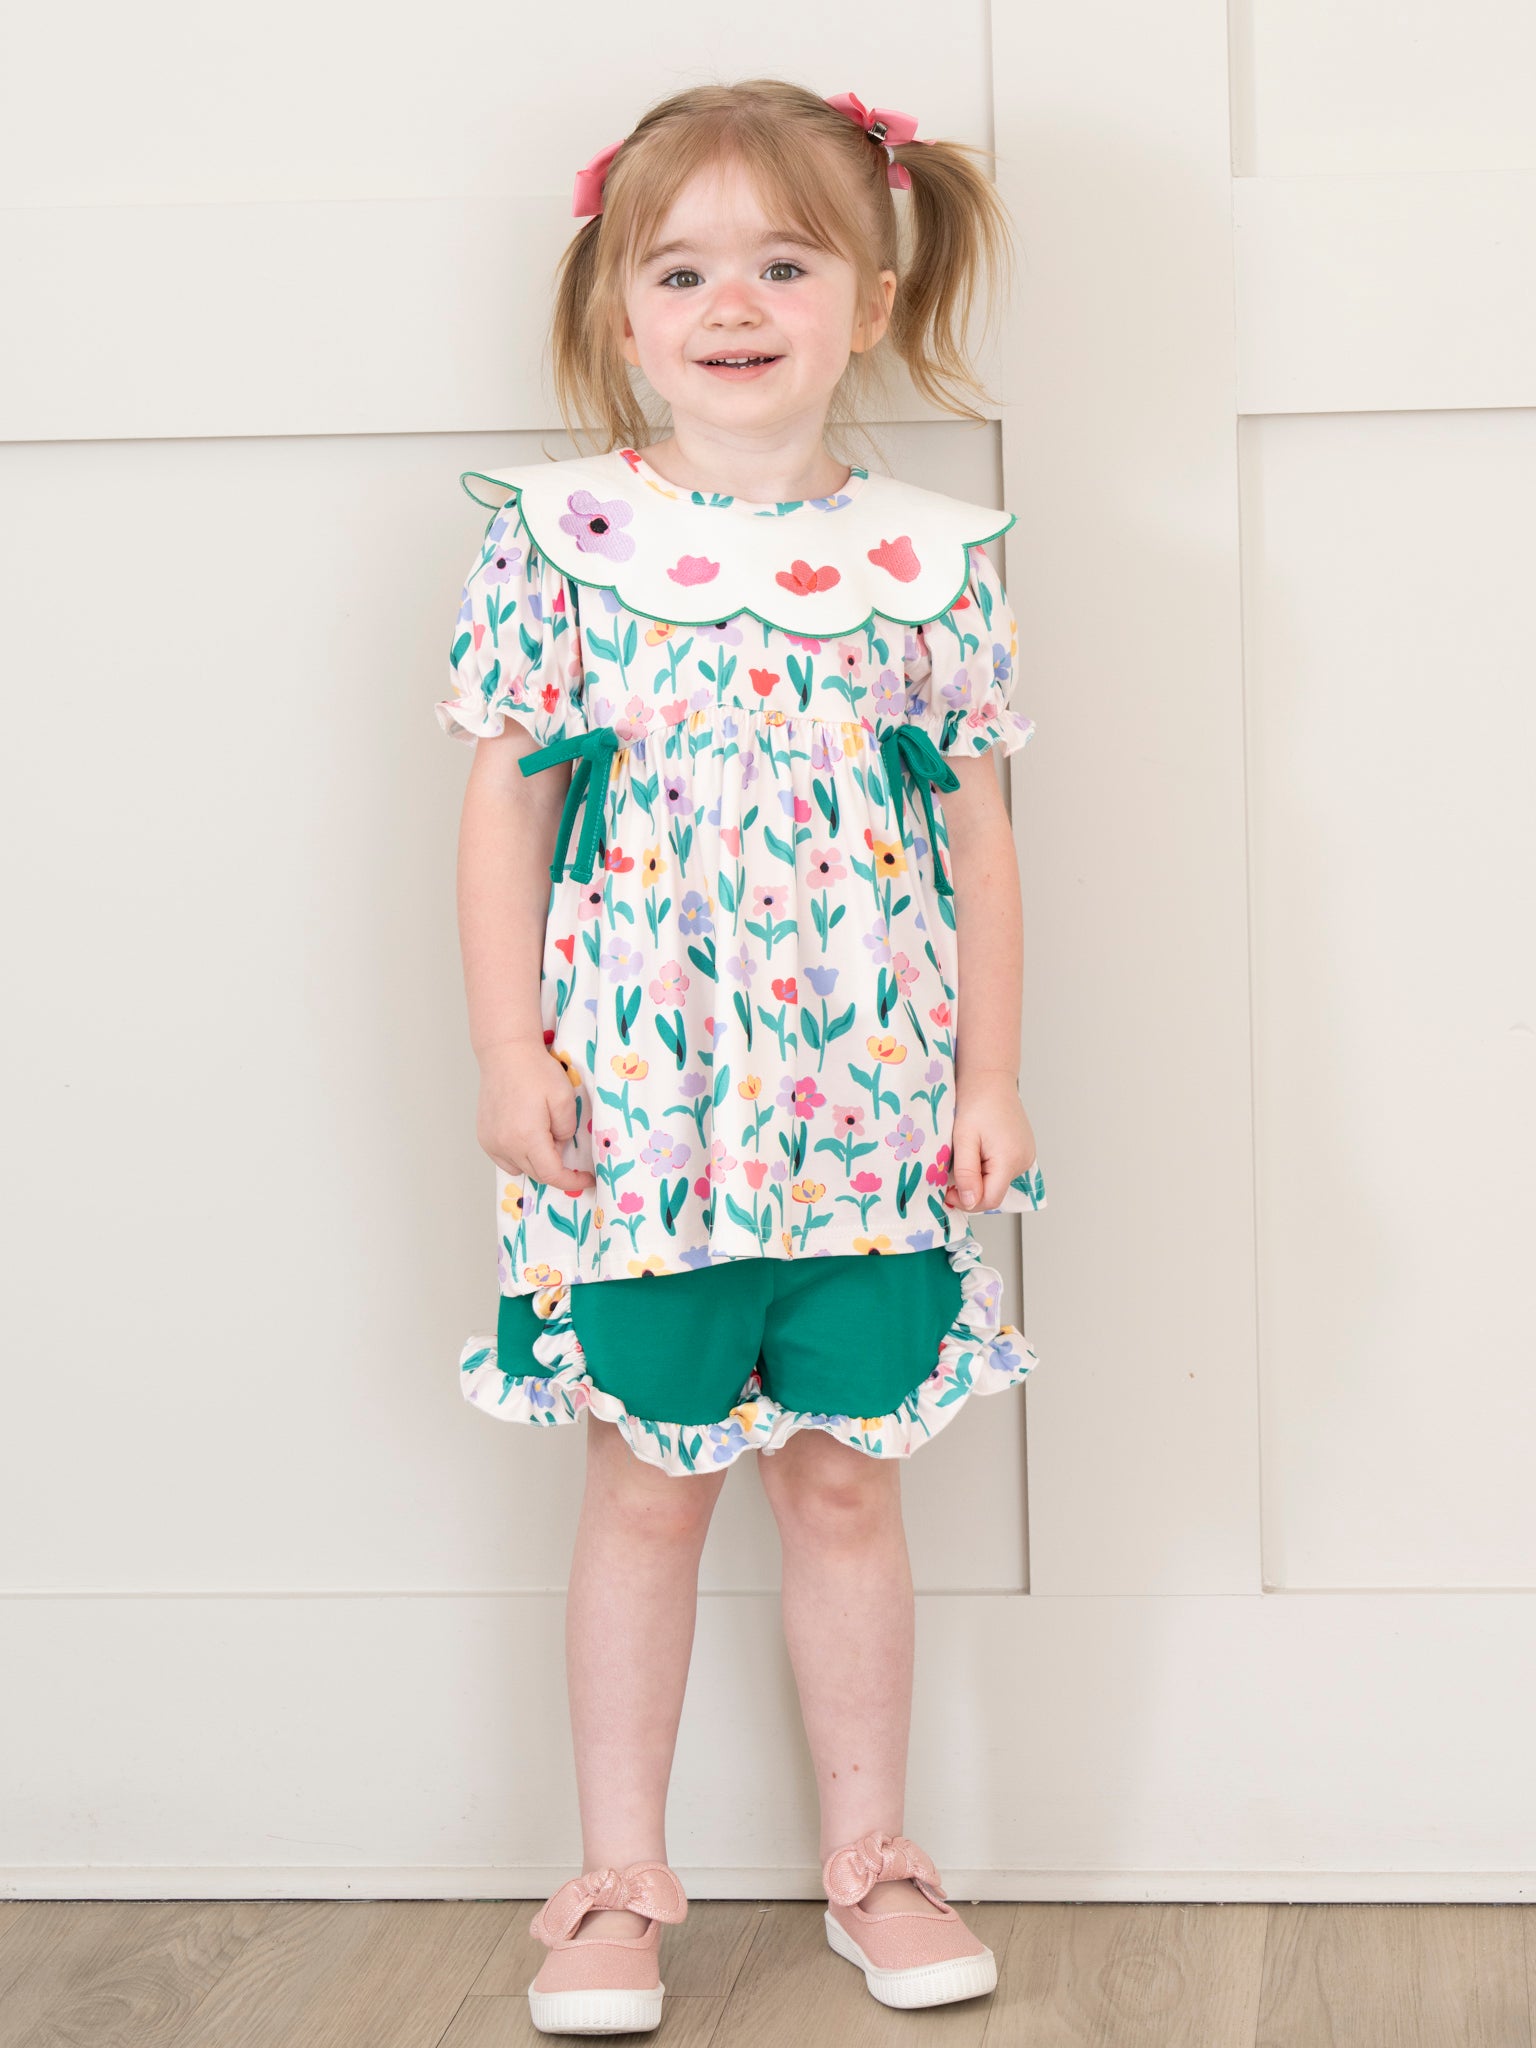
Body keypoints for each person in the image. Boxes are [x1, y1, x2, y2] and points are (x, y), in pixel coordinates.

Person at [435, 77, 1048, 2036]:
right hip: (640, 1126)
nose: (732, 304)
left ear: (869, 299)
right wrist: (509, 1049)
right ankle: (618, 1881)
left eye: (783, 263)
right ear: (621, 309)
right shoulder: (568, 544)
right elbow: (505, 814)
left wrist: (989, 1078)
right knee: (643, 1488)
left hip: (869, 1124)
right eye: (683, 268)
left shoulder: (928, 561)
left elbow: (979, 841)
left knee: (848, 1489)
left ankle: (876, 1856)